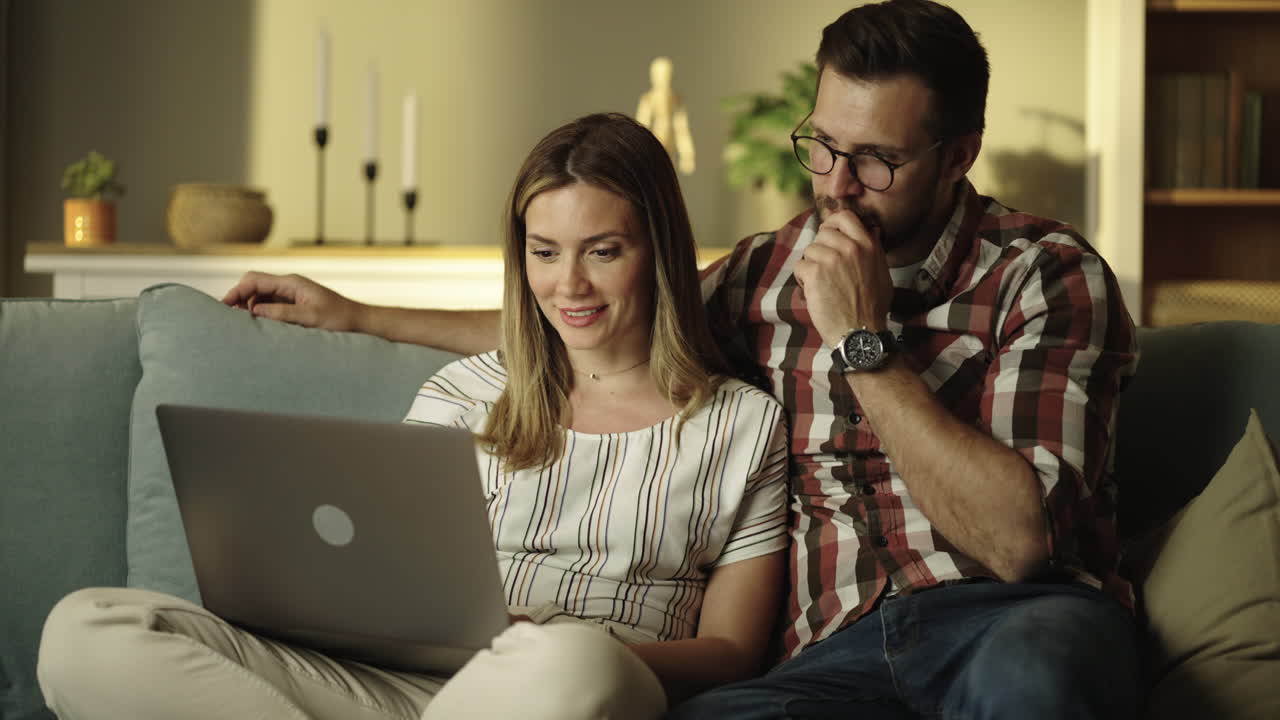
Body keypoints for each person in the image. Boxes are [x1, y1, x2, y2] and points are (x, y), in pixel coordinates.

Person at [222, 1, 1143, 717]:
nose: (834, 184)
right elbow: (595, 316)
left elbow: (1020, 547)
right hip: (832, 654)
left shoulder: (1045, 277)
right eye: (821, 145)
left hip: (1013, 621)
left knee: (1034, 676)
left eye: (875, 161)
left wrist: (863, 343)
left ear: (960, 155)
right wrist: (360, 314)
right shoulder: (766, 269)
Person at [36, 113, 790, 720]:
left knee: (571, 661)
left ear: (656, 252)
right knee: (89, 629)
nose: (570, 285)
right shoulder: (464, 390)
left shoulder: (742, 426)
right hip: (390, 685)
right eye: (544, 252)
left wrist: (553, 642)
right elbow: (378, 572)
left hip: (564, 687)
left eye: (602, 250)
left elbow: (729, 651)